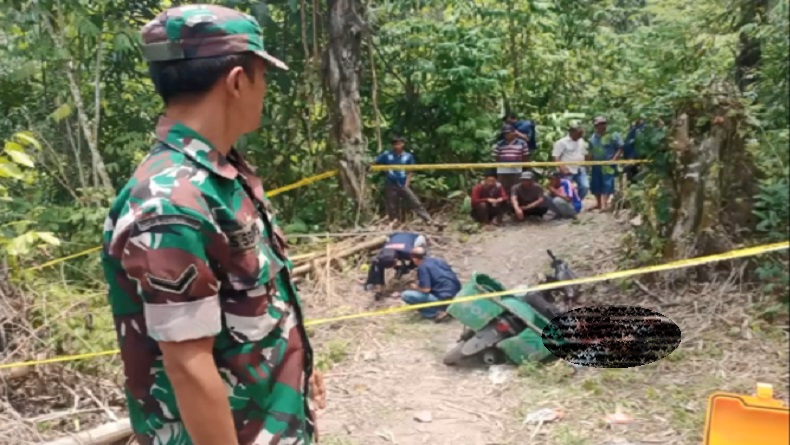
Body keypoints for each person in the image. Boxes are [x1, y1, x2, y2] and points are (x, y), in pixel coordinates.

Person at [100, 6, 324, 445]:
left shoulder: (220, 177)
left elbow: (258, 302)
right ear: (238, 81)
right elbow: (187, 363)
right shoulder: (169, 202)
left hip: (270, 419)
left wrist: (300, 370)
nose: (263, 92)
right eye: (263, 78)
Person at [374, 136, 432, 224]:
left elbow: (410, 171)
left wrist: (407, 183)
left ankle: (427, 219)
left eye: (399, 144)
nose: (397, 146)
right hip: (391, 183)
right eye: (395, 144)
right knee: (392, 205)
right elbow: (375, 162)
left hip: (403, 183)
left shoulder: (408, 156)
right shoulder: (387, 155)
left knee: (414, 201)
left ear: (403, 144)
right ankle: (394, 222)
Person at [400, 246, 461, 322]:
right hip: (457, 295)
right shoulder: (438, 261)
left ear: (414, 258)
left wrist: (415, 287)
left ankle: (437, 312)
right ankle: (448, 308)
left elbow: (426, 290)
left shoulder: (423, 267)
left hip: (443, 298)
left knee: (405, 295)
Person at [364, 231, 428, 301]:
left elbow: (422, 261)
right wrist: (379, 287)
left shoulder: (409, 252)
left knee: (416, 260)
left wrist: (411, 268)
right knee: (379, 263)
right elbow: (376, 265)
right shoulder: (382, 253)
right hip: (394, 236)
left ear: (395, 259)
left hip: (415, 238)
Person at [588, 116, 624, 211]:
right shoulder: (593, 137)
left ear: (605, 124)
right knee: (596, 183)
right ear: (595, 126)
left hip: (609, 163)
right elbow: (591, 150)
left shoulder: (614, 135)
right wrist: (588, 161)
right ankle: (598, 203)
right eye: (598, 125)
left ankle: (605, 204)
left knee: (608, 183)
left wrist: (614, 159)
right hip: (596, 164)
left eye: (602, 124)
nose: (600, 126)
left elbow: (620, 147)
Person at [552, 122, 589, 199]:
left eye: (581, 133)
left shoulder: (581, 141)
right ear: (572, 132)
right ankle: (566, 205)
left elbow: (584, 153)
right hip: (567, 169)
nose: (580, 135)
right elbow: (556, 156)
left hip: (579, 168)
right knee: (566, 189)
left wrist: (586, 164)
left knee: (585, 186)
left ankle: (576, 201)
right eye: (579, 133)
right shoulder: (561, 142)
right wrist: (561, 167)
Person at [493, 124, 530, 195]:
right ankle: (504, 201)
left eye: (508, 133)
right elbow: (496, 156)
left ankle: (515, 201)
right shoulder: (499, 144)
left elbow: (525, 156)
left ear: (513, 133)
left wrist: (524, 167)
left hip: (517, 167)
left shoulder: (522, 143)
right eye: (505, 134)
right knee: (503, 186)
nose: (506, 135)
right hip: (503, 167)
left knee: (516, 185)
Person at [622, 117, 646, 185]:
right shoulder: (633, 129)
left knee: (629, 170)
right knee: (630, 173)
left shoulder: (642, 128)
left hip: (636, 157)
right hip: (631, 157)